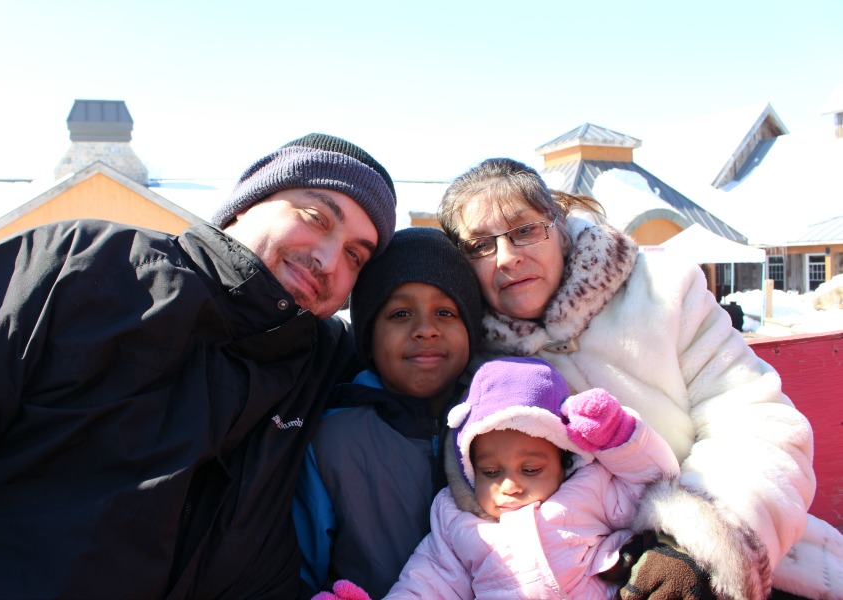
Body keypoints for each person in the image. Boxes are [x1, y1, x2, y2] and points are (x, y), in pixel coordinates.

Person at [0, 133, 397, 598]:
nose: (326, 259)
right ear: (247, 203)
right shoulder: (80, 263)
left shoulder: (326, 361)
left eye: (354, 256)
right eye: (316, 217)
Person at [436, 157, 842, 599]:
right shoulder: (473, 363)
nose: (508, 257)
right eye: (480, 245)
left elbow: (758, 425)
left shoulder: (661, 292)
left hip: (762, 560)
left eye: (525, 230)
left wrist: (696, 549)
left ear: (560, 226)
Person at [385, 356, 682, 599]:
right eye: (491, 472)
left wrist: (618, 435)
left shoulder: (591, 489)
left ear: (564, 460)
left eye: (530, 470)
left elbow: (656, 484)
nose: (510, 486)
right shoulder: (457, 522)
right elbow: (427, 584)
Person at [294, 227, 483, 599]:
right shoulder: (334, 438)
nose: (426, 329)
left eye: (446, 312)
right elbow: (303, 567)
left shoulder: (498, 422)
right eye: (400, 313)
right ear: (368, 335)